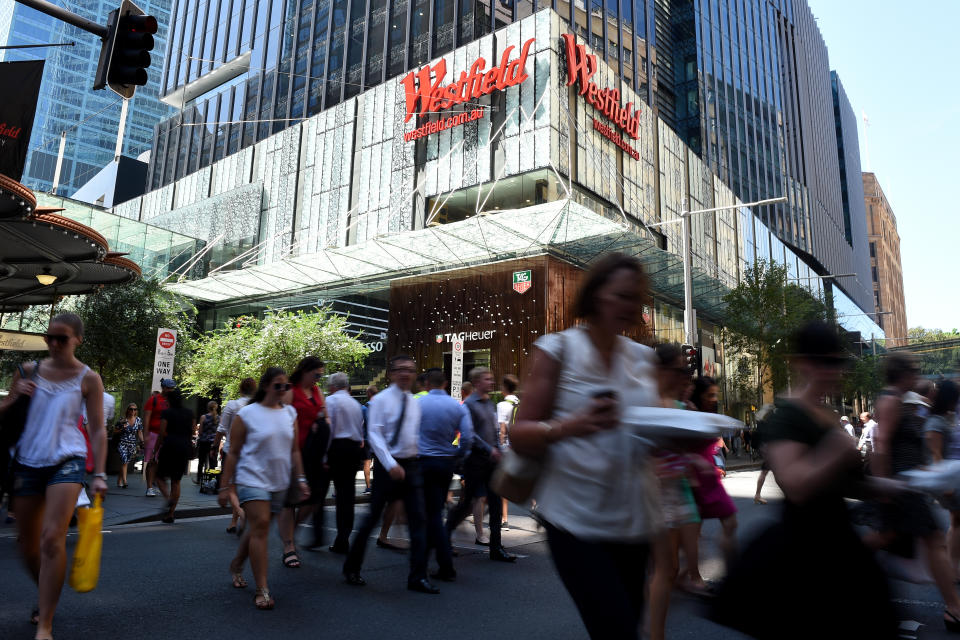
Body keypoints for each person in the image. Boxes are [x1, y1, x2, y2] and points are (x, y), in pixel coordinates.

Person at [710, 322, 901, 639]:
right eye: (824, 362)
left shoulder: (825, 412)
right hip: (803, 549)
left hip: (839, 539)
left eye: (837, 362)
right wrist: (836, 452)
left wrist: (885, 488)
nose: (834, 372)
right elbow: (796, 485)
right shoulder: (787, 416)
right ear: (802, 363)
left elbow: (840, 483)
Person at [509, 253, 661, 640]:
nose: (631, 307)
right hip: (575, 524)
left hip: (635, 524)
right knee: (617, 631)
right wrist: (570, 426)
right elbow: (520, 433)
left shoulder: (644, 359)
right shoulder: (557, 349)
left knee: (627, 626)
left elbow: (652, 430)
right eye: (622, 296)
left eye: (638, 298)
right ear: (596, 295)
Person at [0, 313, 107, 639]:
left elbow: (99, 430)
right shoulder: (27, 371)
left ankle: (45, 623)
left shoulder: (89, 379)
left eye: (62, 338)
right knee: (27, 546)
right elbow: (3, 410)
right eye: (50, 337)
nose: (55, 343)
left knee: (51, 539)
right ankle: (47, 588)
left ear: (78, 340)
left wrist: (100, 472)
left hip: (67, 461)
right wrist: (15, 395)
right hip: (27, 461)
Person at [872, 353, 960, 630]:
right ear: (902, 375)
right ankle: (954, 608)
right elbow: (882, 444)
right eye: (913, 371)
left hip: (907, 484)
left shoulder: (899, 400)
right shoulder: (889, 400)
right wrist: (884, 487)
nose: (917, 376)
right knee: (934, 540)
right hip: (900, 486)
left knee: (888, 538)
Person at [343, 354, 436, 593]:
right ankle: (352, 567)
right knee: (372, 518)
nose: (406, 374)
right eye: (401, 369)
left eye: (410, 369)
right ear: (391, 374)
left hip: (411, 466)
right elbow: (375, 435)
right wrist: (390, 463)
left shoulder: (414, 402)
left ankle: (417, 576)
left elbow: (415, 436)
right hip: (388, 467)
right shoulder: (381, 401)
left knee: (418, 520)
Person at [218, 367, 310, 610]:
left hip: (279, 481)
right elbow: (233, 452)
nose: (283, 390)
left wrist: (301, 479)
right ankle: (263, 589)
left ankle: (237, 563)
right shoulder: (247, 414)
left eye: (286, 386)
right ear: (266, 386)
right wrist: (225, 486)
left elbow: (294, 451)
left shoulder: (290, 413)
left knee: (258, 527)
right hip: (252, 479)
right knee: (260, 527)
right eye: (278, 385)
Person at [649, 344, 702, 640]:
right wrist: (656, 466)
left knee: (671, 568)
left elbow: (680, 446)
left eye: (687, 370)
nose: (685, 375)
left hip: (678, 493)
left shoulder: (676, 405)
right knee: (665, 569)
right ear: (661, 370)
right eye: (680, 369)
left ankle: (652, 627)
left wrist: (694, 460)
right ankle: (654, 632)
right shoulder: (648, 403)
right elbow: (637, 448)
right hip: (656, 495)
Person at [445, 366, 516, 562]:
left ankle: (496, 548)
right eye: (487, 379)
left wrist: (499, 450)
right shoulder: (468, 405)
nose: (491, 382)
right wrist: (489, 448)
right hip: (475, 460)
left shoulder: (490, 404)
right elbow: (470, 435)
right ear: (477, 383)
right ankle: (444, 537)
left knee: (494, 503)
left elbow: (493, 431)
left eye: (492, 378)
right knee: (467, 503)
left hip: (491, 461)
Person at [418, 368, 474, 581]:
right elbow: (467, 437)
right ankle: (442, 562)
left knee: (427, 514)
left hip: (423, 461)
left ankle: (439, 564)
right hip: (445, 462)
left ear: (427, 384)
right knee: (436, 509)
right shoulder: (457, 406)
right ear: (445, 383)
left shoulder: (418, 404)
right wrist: (458, 455)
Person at [687, 376, 738, 583]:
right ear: (699, 395)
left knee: (730, 522)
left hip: (710, 476)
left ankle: (730, 577)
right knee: (692, 532)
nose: (714, 399)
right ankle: (691, 576)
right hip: (696, 477)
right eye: (710, 395)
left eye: (715, 394)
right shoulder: (689, 412)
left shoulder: (708, 414)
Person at [282, 356, 326, 560]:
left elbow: (325, 415)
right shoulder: (291, 391)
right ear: (305, 371)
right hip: (293, 452)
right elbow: (281, 420)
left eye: (321, 375)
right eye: (316, 374)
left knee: (313, 497)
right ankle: (288, 545)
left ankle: (292, 530)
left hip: (313, 452)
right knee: (291, 500)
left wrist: (322, 422)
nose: (318, 378)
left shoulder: (317, 391)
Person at [319, 372, 365, 554]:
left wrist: (324, 456)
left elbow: (328, 431)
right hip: (353, 450)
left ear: (332, 387)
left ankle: (318, 532)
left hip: (336, 449)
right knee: (347, 496)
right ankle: (343, 538)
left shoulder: (330, 402)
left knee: (320, 490)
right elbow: (359, 430)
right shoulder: (356, 404)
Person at [926, 380, 960, 580]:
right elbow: (936, 453)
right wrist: (946, 485)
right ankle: (952, 569)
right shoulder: (936, 421)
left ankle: (952, 566)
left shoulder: (944, 418)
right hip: (946, 479)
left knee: (956, 522)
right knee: (957, 523)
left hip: (950, 477)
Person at [215, 377, 257, 534]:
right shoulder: (257, 406)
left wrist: (214, 446)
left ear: (240, 389)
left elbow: (221, 428)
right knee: (239, 487)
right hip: (249, 452)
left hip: (231, 450)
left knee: (231, 488)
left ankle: (242, 514)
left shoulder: (232, 405)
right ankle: (233, 522)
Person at [156, 387, 194, 523]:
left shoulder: (167, 413)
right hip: (184, 447)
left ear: (169, 400)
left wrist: (156, 449)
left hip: (170, 446)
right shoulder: (190, 413)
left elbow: (161, 433)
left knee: (159, 476)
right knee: (176, 481)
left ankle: (167, 498)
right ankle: (170, 514)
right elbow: (192, 431)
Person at [143, 379, 175, 496]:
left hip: (168, 436)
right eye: (168, 388)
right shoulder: (154, 400)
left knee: (164, 461)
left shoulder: (172, 401)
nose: (170, 390)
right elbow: (147, 417)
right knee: (152, 461)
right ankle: (149, 487)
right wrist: (146, 435)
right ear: (163, 388)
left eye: (172, 388)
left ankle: (157, 482)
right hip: (154, 434)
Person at [496, 373, 520, 529]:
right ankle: (535, 503)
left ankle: (504, 518)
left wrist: (500, 444)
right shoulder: (519, 402)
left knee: (501, 483)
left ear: (504, 387)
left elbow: (502, 428)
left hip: (507, 448)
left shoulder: (502, 405)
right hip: (520, 445)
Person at [114, 403, 143, 488]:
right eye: (131, 409)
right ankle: (125, 481)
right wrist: (122, 428)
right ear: (128, 410)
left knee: (125, 463)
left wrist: (142, 441)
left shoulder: (138, 420)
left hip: (132, 444)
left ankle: (119, 480)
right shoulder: (122, 420)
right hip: (122, 443)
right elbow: (115, 431)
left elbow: (140, 432)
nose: (133, 411)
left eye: (135, 409)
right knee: (124, 461)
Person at [196, 401, 219, 483]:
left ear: (208, 407)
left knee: (201, 461)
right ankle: (212, 479)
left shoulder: (203, 417)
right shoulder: (219, 418)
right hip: (214, 443)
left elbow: (200, 431)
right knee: (213, 462)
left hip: (204, 442)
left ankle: (199, 479)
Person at [361, 385, 378, 493]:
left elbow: (360, 424)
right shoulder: (381, 406)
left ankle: (368, 487)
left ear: (368, 394)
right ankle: (377, 486)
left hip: (367, 439)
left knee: (367, 463)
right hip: (378, 440)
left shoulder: (363, 408)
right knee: (378, 463)